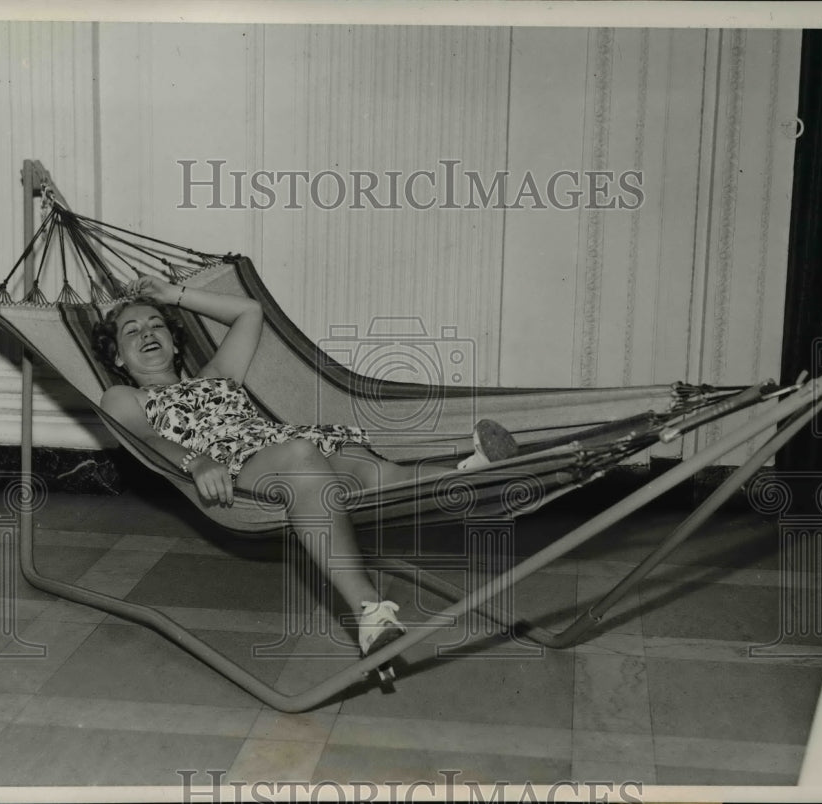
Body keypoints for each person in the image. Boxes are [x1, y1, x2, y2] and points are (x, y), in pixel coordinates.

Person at [94, 276, 516, 660]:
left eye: (157, 325)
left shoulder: (216, 375)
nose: (147, 333)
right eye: (132, 331)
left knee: (376, 474)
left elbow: (249, 312)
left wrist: (173, 295)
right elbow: (146, 439)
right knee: (300, 457)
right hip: (235, 474)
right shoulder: (123, 397)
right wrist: (197, 461)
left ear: (173, 339)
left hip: (290, 447)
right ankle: (371, 614)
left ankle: (479, 476)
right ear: (116, 357)